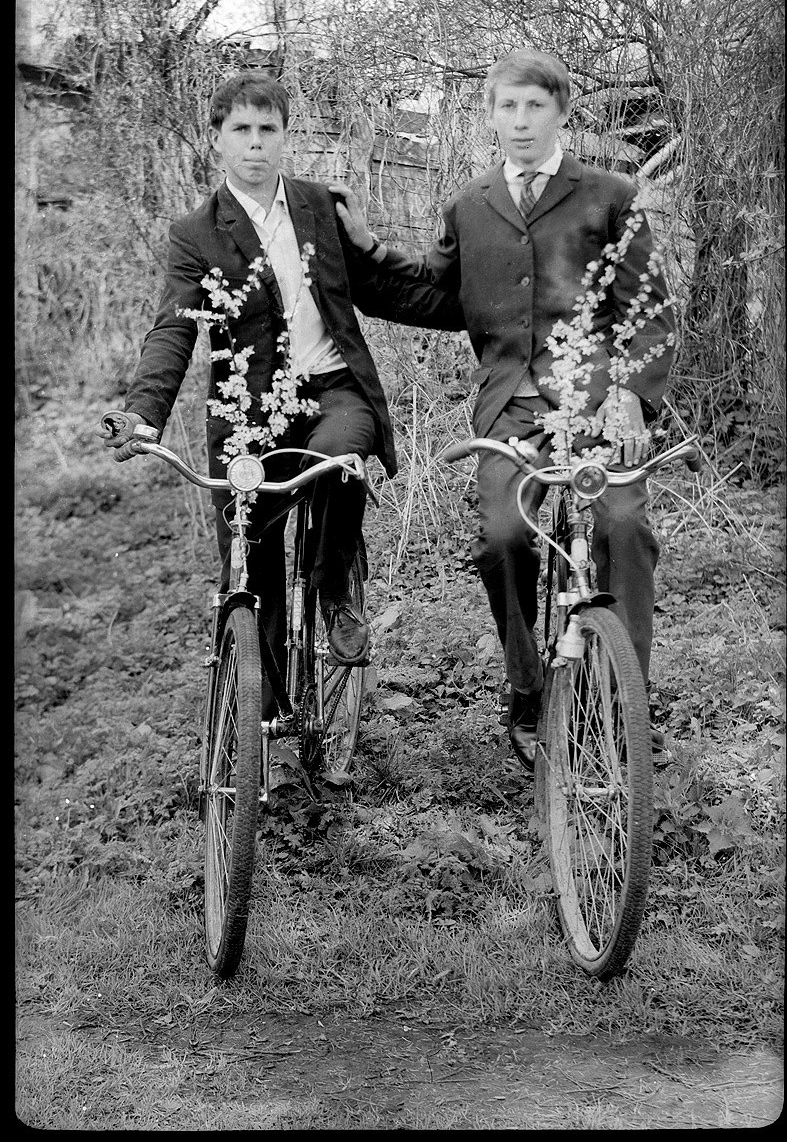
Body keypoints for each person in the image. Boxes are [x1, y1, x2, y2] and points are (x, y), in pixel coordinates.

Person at [332, 48, 676, 768]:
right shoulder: (471, 203)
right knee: (501, 540)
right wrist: (364, 251)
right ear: (489, 115)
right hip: (508, 411)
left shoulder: (608, 195)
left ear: (560, 113)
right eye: (507, 107)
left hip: (595, 402)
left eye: (534, 107)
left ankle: (622, 706)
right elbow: (435, 293)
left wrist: (631, 402)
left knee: (621, 525)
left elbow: (647, 313)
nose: (520, 121)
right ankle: (526, 689)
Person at [97, 71, 460, 673]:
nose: (256, 143)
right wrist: (142, 413)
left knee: (340, 462)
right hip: (250, 411)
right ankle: (266, 730)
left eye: (269, 129)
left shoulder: (322, 206)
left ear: (286, 136)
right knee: (250, 565)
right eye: (241, 129)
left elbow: (378, 292)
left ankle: (335, 590)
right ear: (217, 138)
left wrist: (483, 316)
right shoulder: (195, 234)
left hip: (333, 389)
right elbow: (174, 328)